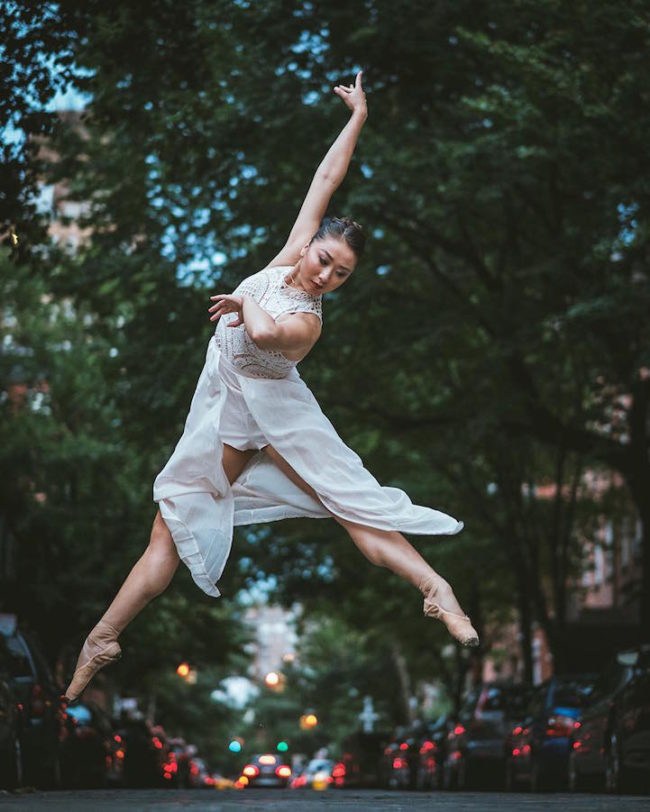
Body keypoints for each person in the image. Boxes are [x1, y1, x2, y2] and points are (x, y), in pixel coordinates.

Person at [65, 71, 478, 703]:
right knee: (169, 527)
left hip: (278, 418)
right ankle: (102, 638)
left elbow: (263, 336)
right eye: (323, 260)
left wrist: (240, 302)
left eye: (341, 274)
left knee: (352, 506)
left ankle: (434, 588)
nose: (326, 275)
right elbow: (325, 181)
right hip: (229, 412)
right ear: (310, 246)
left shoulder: (307, 322)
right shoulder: (289, 258)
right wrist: (357, 118)